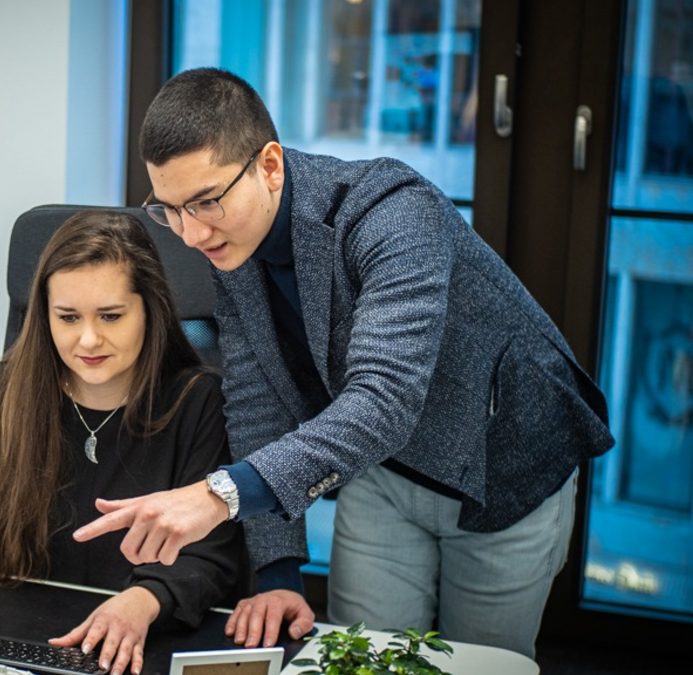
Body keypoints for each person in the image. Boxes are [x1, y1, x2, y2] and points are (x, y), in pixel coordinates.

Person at [73, 68, 615, 658]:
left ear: (271, 166)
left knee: (476, 664)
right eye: (170, 209)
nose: (191, 232)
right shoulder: (228, 241)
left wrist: (218, 495)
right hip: (383, 475)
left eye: (206, 202)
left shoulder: (390, 210)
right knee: (364, 659)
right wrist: (278, 571)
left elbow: (383, 398)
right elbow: (260, 398)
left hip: (504, 467)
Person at [0, 210, 254, 675]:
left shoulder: (199, 402)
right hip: (3, 651)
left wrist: (142, 601)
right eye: (68, 317)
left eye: (111, 316)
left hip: (137, 654)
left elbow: (213, 553)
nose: (88, 339)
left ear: (149, 310)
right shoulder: (1, 392)